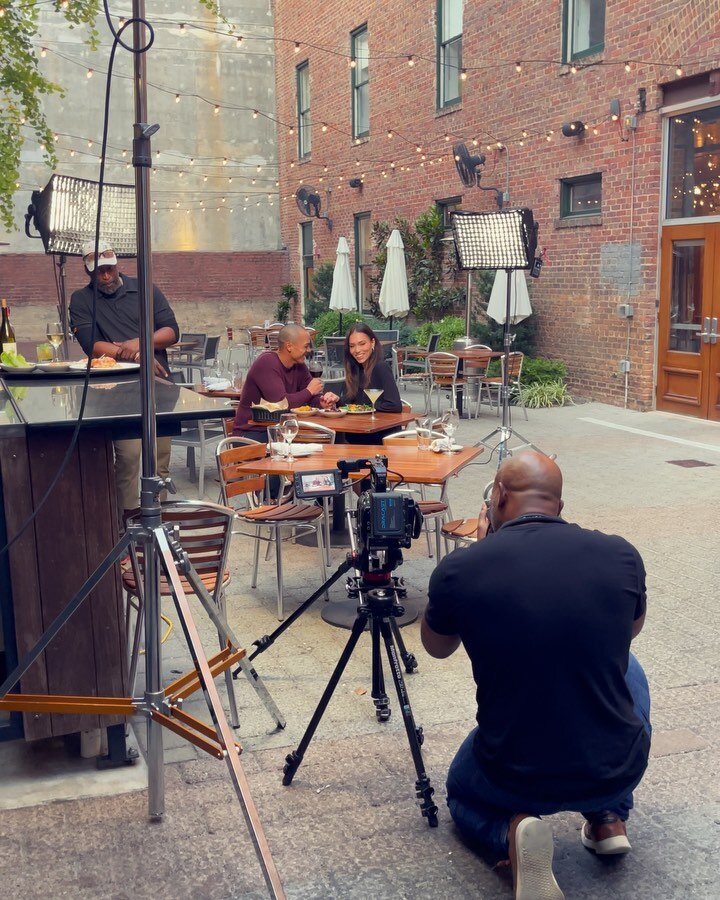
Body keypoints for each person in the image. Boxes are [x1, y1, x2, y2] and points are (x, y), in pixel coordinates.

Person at [421, 451, 651, 900]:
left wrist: (483, 552)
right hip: (615, 767)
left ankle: (513, 830)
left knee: (460, 794)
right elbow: (632, 629)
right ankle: (609, 817)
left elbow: (437, 646)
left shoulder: (460, 570)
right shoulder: (622, 554)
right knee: (631, 666)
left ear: (499, 497)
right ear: (560, 506)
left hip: (513, 773)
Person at [69, 240, 179, 519]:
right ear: (87, 270)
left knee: (160, 457)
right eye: (98, 271)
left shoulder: (144, 287)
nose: (105, 275)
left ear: (117, 263)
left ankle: (158, 517)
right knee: (129, 458)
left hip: (158, 384)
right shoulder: (82, 299)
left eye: (108, 268)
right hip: (115, 390)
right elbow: (91, 344)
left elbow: (172, 331)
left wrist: (138, 343)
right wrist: (134, 355)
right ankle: (128, 522)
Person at [232, 323, 337, 439]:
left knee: (330, 438)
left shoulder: (299, 365)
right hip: (252, 433)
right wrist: (309, 391)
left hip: (280, 430)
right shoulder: (267, 363)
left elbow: (310, 397)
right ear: (289, 346)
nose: (309, 350)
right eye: (306, 346)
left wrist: (322, 402)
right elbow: (280, 403)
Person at [340, 323, 401, 445]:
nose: (357, 350)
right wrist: (336, 400)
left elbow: (394, 405)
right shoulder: (355, 370)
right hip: (357, 434)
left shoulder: (381, 367)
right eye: (352, 346)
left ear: (372, 343)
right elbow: (350, 403)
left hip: (380, 439)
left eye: (362, 344)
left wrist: (365, 407)